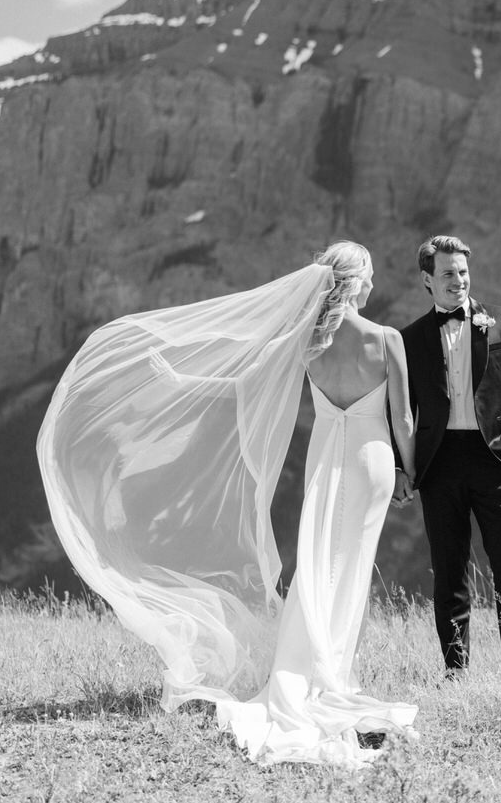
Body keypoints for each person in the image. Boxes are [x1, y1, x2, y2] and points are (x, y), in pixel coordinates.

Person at [37, 242, 419, 768]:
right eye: (371, 276)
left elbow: (241, 382)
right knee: (349, 569)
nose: (375, 284)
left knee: (316, 566)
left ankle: (312, 677)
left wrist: (177, 379)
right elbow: (402, 422)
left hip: (325, 460)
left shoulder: (309, 343)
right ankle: (336, 676)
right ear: (358, 283)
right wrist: (410, 472)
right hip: (373, 462)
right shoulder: (387, 340)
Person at [392, 235, 501, 681]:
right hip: (440, 465)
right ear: (427, 279)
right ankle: (456, 669)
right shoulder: (410, 339)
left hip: (496, 458)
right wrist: (403, 467)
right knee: (450, 568)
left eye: (462, 272)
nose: (458, 281)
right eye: (447, 273)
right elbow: (400, 409)